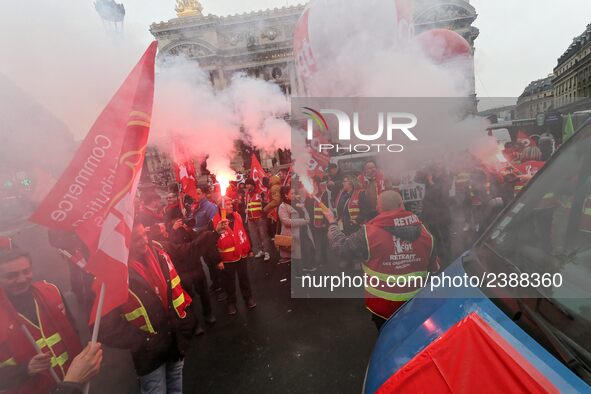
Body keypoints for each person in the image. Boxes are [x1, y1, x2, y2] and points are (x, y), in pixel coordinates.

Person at [99, 223, 196, 394]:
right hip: (149, 356)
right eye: (137, 239)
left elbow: (178, 283)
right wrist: (144, 342)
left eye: (145, 234)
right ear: (124, 242)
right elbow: (106, 328)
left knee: (176, 385)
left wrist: (187, 320)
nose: (144, 241)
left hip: (175, 341)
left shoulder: (158, 252)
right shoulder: (113, 274)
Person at [325, 191, 439, 331]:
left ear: (379, 209)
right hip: (415, 303)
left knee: (387, 339)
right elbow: (434, 270)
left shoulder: (368, 234)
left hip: (382, 307)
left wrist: (332, 224)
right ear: (401, 205)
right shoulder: (426, 234)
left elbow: (341, 249)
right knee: (414, 338)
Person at [0, 244, 82, 394]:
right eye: (12, 275)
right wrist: (25, 369)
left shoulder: (51, 291)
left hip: (73, 383)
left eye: (26, 271)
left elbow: (73, 328)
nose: (22, 279)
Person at [212, 197, 257, 315]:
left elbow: (245, 232)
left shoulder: (237, 216)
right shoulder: (214, 222)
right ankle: (231, 303)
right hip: (227, 259)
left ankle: (248, 298)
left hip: (241, 255)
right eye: (227, 204)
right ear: (221, 208)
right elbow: (211, 243)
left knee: (244, 278)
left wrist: (250, 248)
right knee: (229, 283)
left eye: (231, 204)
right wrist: (217, 260)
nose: (231, 206)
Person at [278, 186, 315, 271]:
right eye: (292, 193)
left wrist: (304, 211)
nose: (294, 195)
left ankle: (307, 267)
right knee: (296, 254)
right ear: (286, 195)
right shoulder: (283, 206)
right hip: (294, 233)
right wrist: (302, 221)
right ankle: (299, 272)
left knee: (307, 249)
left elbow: (305, 214)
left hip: (304, 231)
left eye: (294, 193)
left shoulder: (297, 202)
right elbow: (286, 221)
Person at [244, 178, 272, 261]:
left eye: (249, 184)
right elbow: (246, 204)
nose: (247, 186)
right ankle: (260, 251)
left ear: (252, 184)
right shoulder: (247, 194)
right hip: (250, 218)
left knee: (263, 235)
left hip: (260, 217)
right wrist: (245, 209)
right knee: (254, 236)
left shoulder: (259, 192)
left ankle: (267, 252)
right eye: (246, 184)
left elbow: (266, 202)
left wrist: (264, 212)